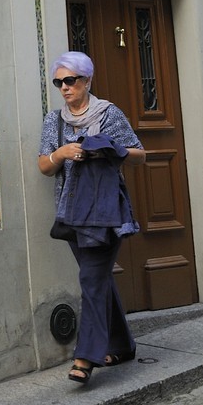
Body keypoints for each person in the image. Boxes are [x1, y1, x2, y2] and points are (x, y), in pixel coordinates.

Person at [38, 51, 145, 387]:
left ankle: (86, 357)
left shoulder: (108, 114)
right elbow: (43, 166)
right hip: (70, 214)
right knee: (97, 279)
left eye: (71, 80)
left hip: (103, 213)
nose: (65, 88)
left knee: (92, 279)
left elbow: (139, 154)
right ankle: (122, 346)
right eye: (59, 82)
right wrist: (61, 153)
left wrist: (110, 150)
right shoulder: (53, 121)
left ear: (86, 80)